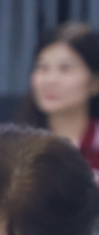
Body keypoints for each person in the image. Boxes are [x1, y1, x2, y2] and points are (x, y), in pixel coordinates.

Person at [19, 21, 99, 174]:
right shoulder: (15, 148)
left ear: (95, 82)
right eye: (42, 67)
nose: (50, 80)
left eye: (65, 69)